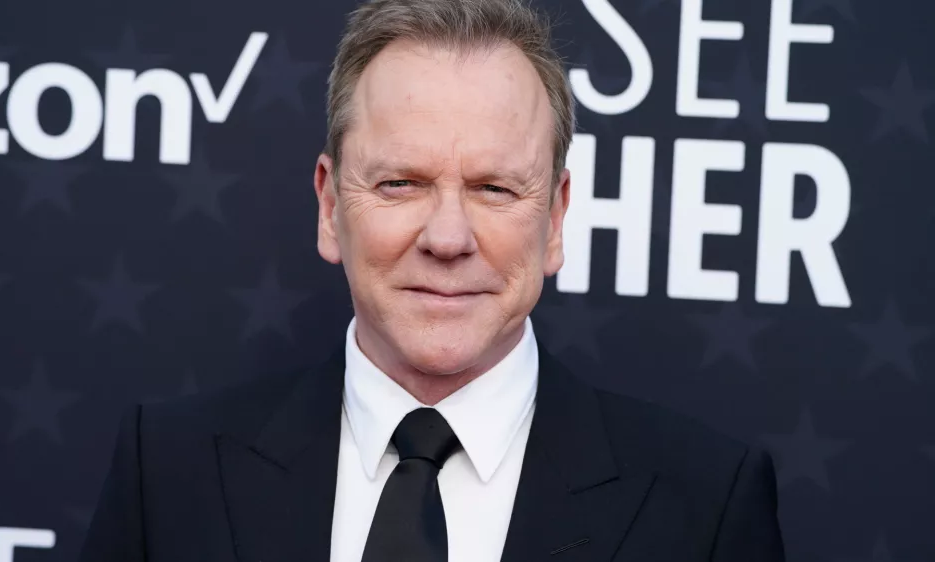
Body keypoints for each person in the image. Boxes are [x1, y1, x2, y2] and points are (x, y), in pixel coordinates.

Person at [78, 0, 786, 560]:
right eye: (400, 183)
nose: (447, 238)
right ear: (330, 207)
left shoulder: (704, 508)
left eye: (495, 189)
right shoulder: (168, 475)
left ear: (557, 218)